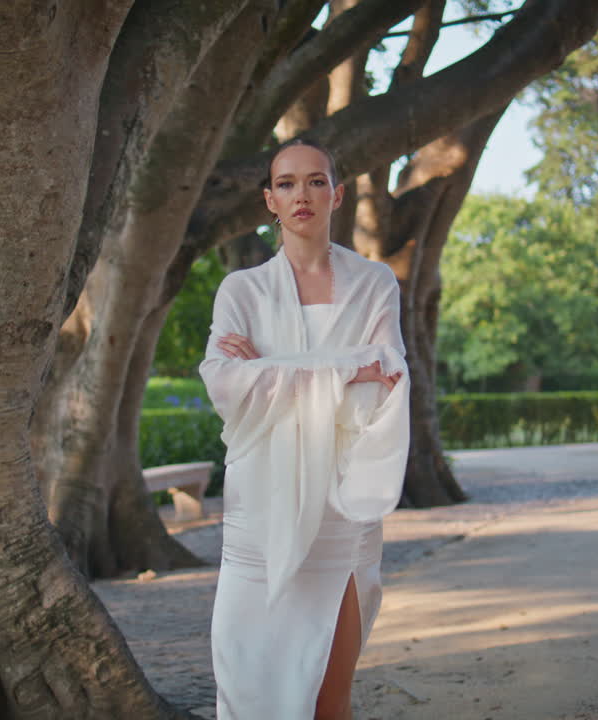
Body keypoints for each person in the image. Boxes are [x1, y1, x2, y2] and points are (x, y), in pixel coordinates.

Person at [200, 139, 411, 720]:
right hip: (259, 503)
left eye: (316, 181)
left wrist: (267, 371)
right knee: (251, 681)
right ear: (270, 200)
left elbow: (387, 379)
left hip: (340, 500)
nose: (302, 195)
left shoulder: (374, 285)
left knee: (329, 693)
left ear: (336, 195)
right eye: (287, 183)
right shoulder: (240, 291)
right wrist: (344, 369)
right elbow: (223, 383)